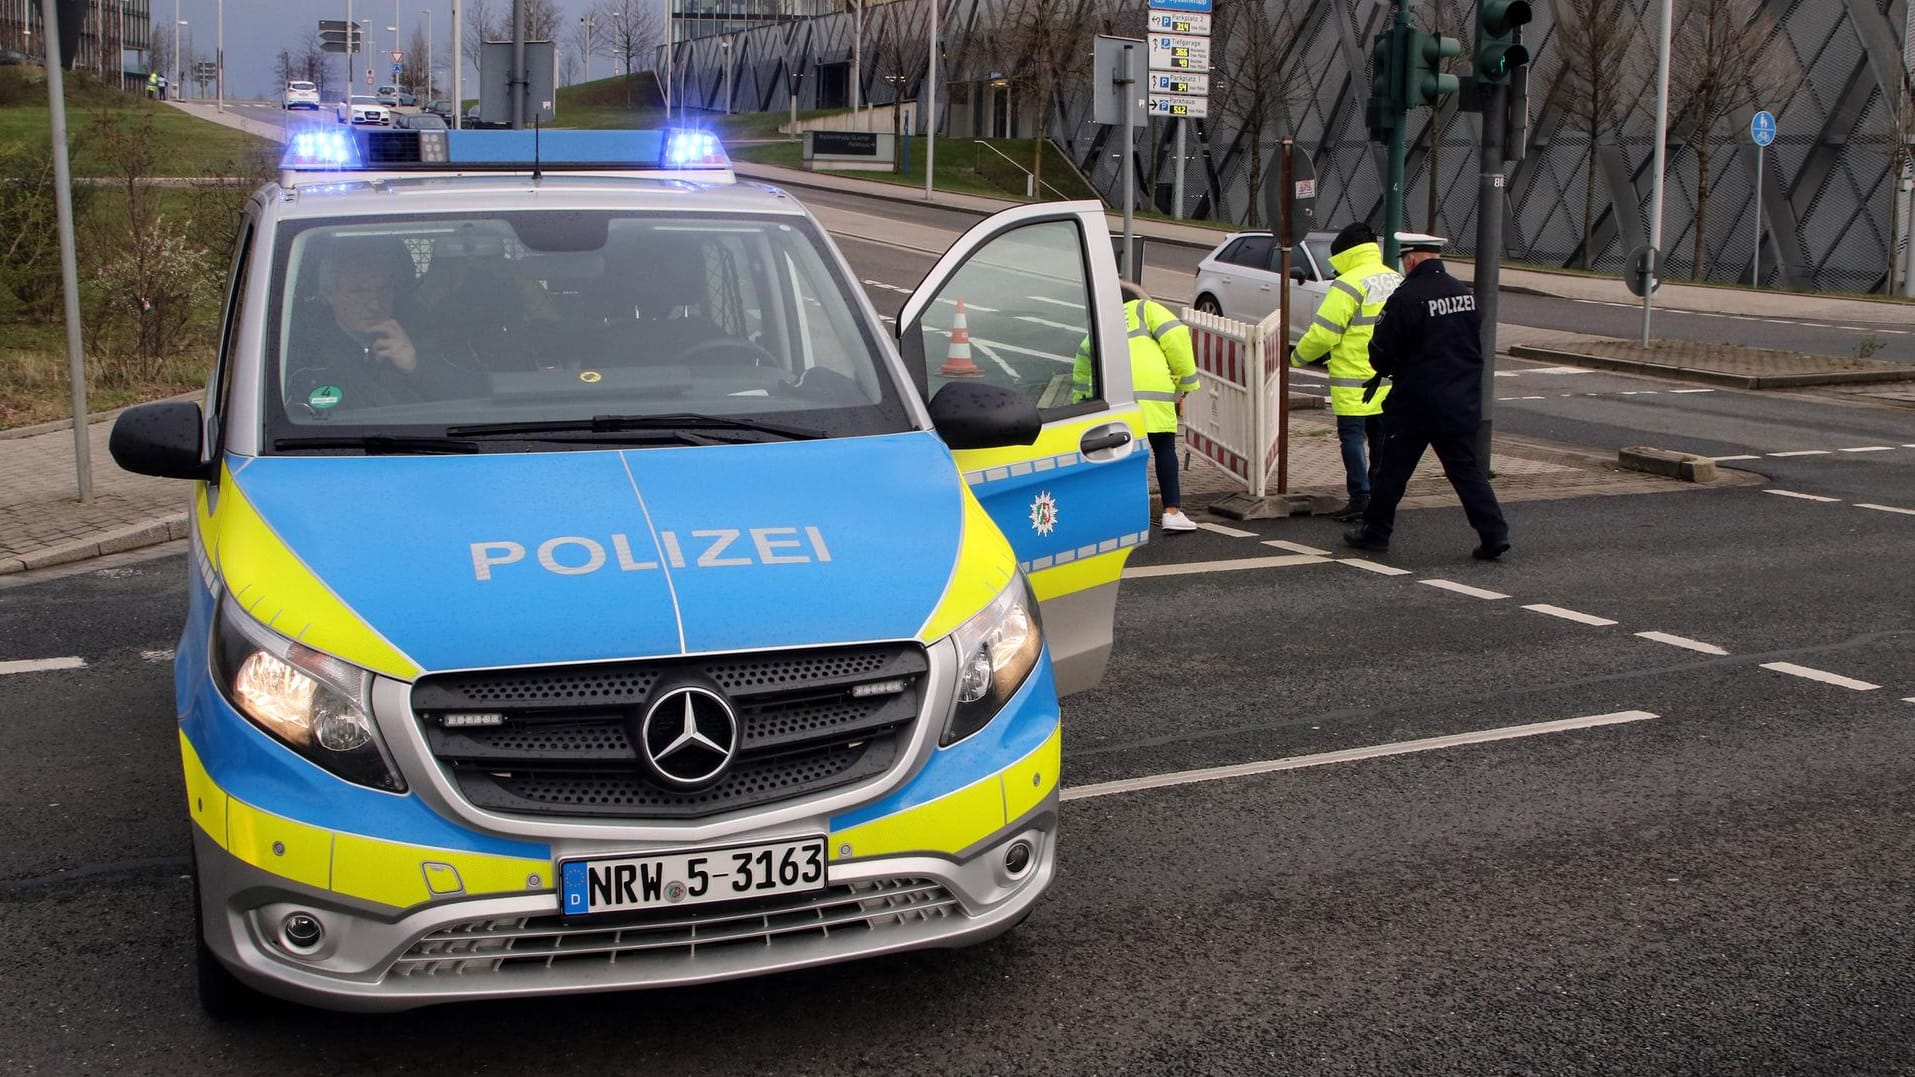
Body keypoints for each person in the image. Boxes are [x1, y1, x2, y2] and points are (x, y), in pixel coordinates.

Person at [1342, 233, 1510, 560]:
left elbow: (1382, 350)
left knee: (1391, 472)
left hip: (1415, 404)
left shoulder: (1407, 297)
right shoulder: (1464, 294)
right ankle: (1494, 532)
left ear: (1412, 259)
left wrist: (1388, 366)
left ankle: (1376, 533)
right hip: (1459, 402)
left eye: (1405, 260)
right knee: (1466, 471)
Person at [1291, 221, 1400, 522]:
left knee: (1352, 438)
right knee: (1380, 440)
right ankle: (1379, 496)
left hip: (1354, 379)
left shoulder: (1348, 284)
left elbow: (1325, 334)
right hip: (1389, 379)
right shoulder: (1395, 279)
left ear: (1345, 254)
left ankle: (1360, 497)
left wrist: (1297, 357)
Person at [1073, 281, 1201, 532]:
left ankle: (1125, 515)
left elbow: (1082, 365)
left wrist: (1081, 404)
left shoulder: (1101, 322)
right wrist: (1186, 381)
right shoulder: (1146, 309)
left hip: (1116, 397)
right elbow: (1176, 336)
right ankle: (1172, 513)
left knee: (1124, 455)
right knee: (1163, 449)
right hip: (1154, 392)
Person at [283, 236, 456, 412]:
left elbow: (473, 397)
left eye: (383, 289)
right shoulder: (302, 352)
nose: (375, 305)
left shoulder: (425, 331)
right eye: (359, 292)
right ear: (329, 294)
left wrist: (417, 365)